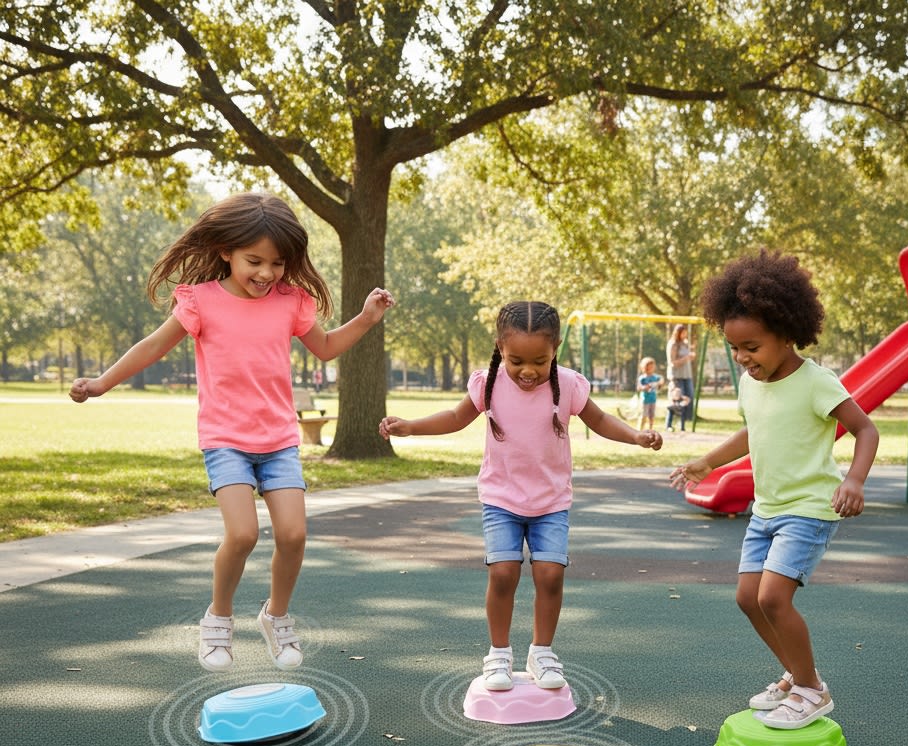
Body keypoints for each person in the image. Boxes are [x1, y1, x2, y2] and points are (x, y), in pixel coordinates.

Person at [70, 192, 395, 671]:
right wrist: (101, 383)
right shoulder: (201, 301)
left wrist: (366, 318)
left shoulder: (290, 301)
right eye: (254, 261)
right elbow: (153, 347)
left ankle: (275, 616)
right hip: (226, 440)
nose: (266, 273)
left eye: (277, 263)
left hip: (279, 440)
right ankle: (218, 619)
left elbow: (325, 347)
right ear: (225, 251)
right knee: (242, 535)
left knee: (294, 535)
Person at [379, 300, 662, 691]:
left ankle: (541, 653)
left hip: (550, 502)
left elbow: (598, 420)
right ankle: (498, 655)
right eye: (516, 361)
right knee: (503, 573)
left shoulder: (569, 384)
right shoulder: (489, 383)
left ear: (555, 349)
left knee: (550, 575)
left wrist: (635, 436)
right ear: (500, 347)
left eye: (539, 361)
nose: (528, 371)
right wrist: (411, 427)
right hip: (502, 499)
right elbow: (456, 417)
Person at [670, 250, 878, 729]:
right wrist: (708, 461)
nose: (743, 358)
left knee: (772, 599)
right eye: (734, 348)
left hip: (809, 508)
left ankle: (811, 691)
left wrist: (854, 479)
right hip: (765, 509)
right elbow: (754, 431)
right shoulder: (751, 384)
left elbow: (865, 429)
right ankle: (798, 675)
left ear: (786, 333)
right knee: (747, 598)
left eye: (752, 347)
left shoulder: (816, 382)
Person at [666, 323, 694, 425]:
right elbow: (672, 363)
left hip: (687, 375)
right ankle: (669, 423)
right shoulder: (673, 344)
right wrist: (686, 358)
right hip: (677, 376)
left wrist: (691, 357)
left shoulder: (685, 343)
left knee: (689, 398)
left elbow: (687, 358)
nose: (685, 335)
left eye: (686, 333)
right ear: (678, 333)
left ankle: (683, 422)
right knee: (676, 400)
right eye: (683, 333)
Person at [636, 357, 662, 431]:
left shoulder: (655, 377)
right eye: (649, 367)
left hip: (653, 399)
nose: (650, 369)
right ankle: (640, 429)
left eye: (652, 367)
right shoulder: (642, 378)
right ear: (644, 368)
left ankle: (651, 429)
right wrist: (644, 387)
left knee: (651, 416)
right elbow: (639, 388)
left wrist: (659, 383)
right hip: (645, 400)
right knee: (643, 415)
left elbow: (661, 382)